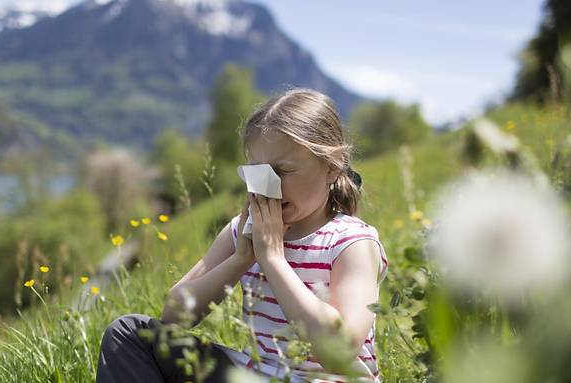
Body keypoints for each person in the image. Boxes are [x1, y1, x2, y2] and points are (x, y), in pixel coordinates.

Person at [96, 88, 389, 383]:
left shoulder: (351, 242)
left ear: (332, 166)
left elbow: (340, 349)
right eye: (259, 171)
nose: (269, 184)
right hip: (258, 375)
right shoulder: (243, 232)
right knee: (129, 334)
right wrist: (241, 259)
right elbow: (173, 314)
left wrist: (273, 260)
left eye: (283, 170)